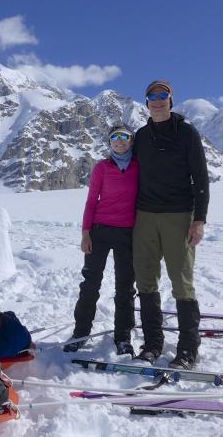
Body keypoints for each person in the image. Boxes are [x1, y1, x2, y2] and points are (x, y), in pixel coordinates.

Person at [132, 80, 209, 370]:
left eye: (163, 95)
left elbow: (200, 178)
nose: (158, 100)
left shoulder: (186, 132)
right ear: (147, 102)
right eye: (152, 96)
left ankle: (188, 349)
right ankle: (152, 343)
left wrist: (199, 219)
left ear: (171, 100)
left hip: (179, 215)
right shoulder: (141, 136)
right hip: (145, 216)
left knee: (182, 283)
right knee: (146, 280)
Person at [64, 124, 140, 356]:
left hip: (128, 233)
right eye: (114, 137)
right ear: (109, 142)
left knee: (125, 287)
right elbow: (91, 202)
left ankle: (123, 337)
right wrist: (85, 233)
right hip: (99, 231)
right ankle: (81, 333)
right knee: (90, 284)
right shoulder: (102, 168)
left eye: (124, 137)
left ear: (131, 140)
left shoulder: (139, 166)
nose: (119, 141)